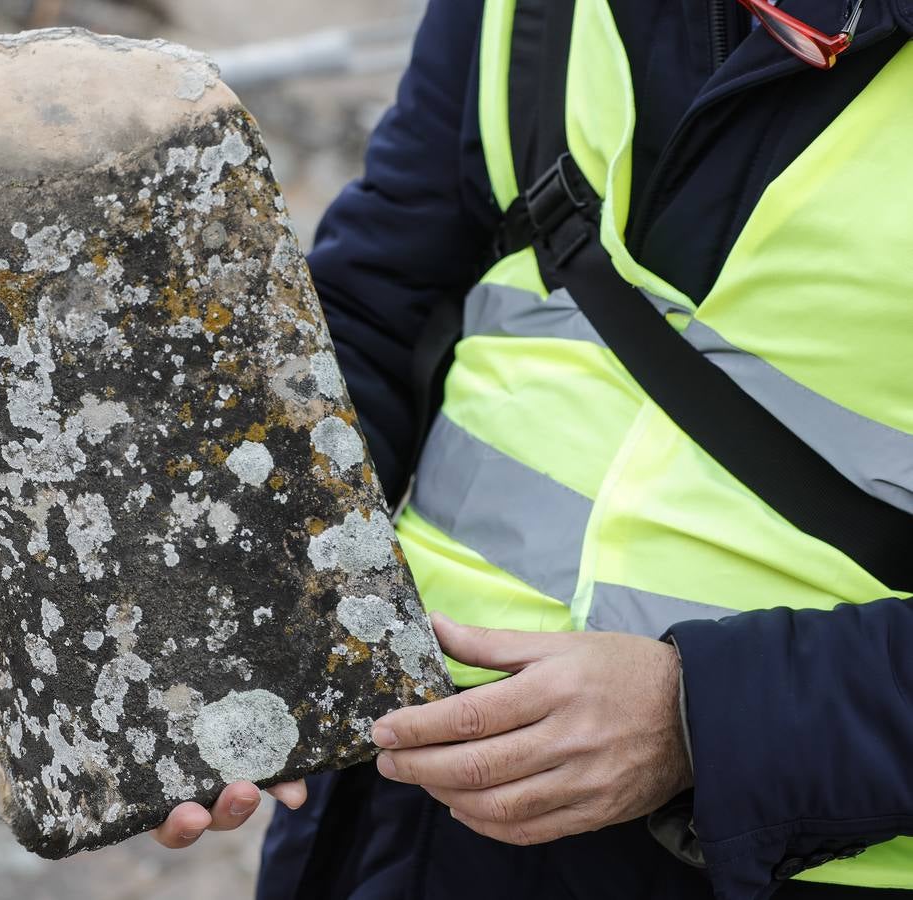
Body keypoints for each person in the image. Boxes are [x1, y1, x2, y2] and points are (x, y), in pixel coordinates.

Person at [152, 0, 913, 897]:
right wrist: (227, 604)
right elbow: (374, 304)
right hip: (402, 795)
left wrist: (703, 714)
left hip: (782, 852)